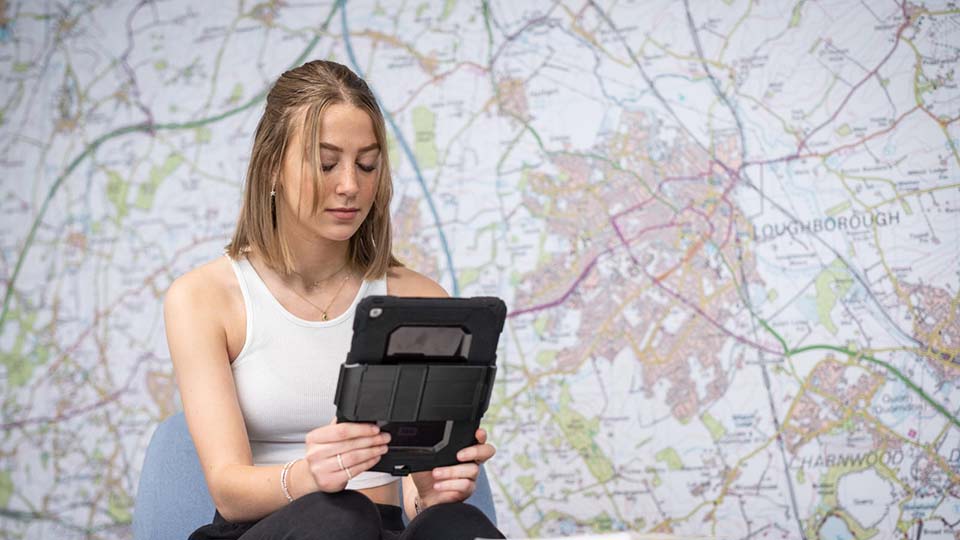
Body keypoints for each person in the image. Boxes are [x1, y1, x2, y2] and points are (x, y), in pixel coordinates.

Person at [163, 60, 504, 540]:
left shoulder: (418, 297)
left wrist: (431, 488)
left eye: (367, 164)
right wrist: (311, 476)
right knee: (340, 517)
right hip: (269, 530)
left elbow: (409, 485)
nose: (350, 185)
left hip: (383, 529)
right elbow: (227, 490)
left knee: (457, 525)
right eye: (326, 163)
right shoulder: (203, 298)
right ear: (271, 167)